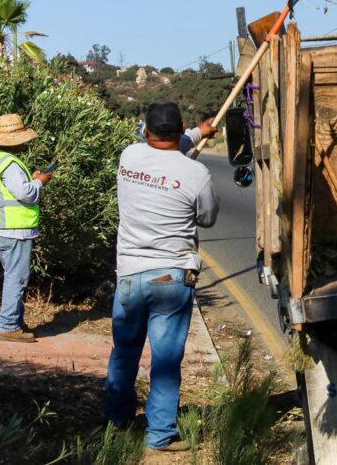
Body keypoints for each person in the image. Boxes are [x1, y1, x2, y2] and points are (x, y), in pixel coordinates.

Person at [103, 100, 219, 452]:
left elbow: (166, 150)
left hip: (130, 276)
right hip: (171, 277)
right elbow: (208, 218)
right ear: (181, 128)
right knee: (166, 360)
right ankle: (160, 435)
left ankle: (117, 420)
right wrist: (198, 134)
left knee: (124, 352)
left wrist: (197, 134)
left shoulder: (129, 157)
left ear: (145, 130)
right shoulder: (197, 174)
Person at [0, 113, 54, 343]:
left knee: (13, 275)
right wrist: (40, 182)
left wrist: (31, 179)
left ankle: (14, 321)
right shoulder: (11, 163)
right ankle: (8, 326)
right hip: (15, 229)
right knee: (17, 276)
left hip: (0, 227)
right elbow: (25, 193)